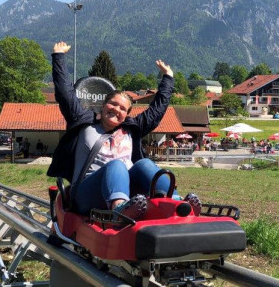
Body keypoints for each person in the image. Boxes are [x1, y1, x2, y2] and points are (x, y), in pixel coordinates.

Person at [46, 42, 199, 220]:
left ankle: (177, 203)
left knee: (144, 164)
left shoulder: (131, 129)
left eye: (122, 108)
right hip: (86, 193)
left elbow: (157, 111)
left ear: (126, 115)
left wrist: (168, 77)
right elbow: (65, 93)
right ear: (103, 106)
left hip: (128, 192)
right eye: (113, 104)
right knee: (117, 164)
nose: (117, 109)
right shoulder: (84, 121)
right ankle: (119, 208)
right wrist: (58, 56)